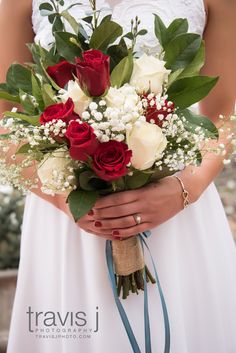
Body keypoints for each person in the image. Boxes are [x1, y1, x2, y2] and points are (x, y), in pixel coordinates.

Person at [1, 0, 236, 352]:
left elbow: (224, 116)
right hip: (69, 220)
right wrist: (66, 201)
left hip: (178, 210)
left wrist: (185, 188)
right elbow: (6, 122)